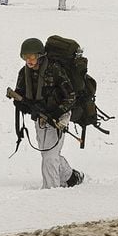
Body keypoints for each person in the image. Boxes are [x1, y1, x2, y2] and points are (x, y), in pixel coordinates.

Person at [12, 38, 84, 189]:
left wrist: (58, 112)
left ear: (40, 56)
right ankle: (72, 177)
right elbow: (20, 93)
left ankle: (51, 191)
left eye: (32, 57)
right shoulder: (24, 73)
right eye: (25, 57)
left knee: (50, 157)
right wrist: (20, 102)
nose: (29, 61)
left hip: (59, 116)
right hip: (40, 118)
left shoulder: (55, 69)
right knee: (48, 154)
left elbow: (71, 96)